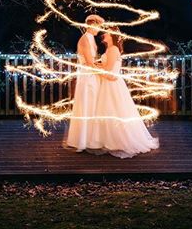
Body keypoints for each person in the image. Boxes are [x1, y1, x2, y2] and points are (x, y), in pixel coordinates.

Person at [88, 26, 159, 158]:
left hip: (112, 84)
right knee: (107, 111)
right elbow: (107, 67)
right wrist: (96, 65)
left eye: (107, 32)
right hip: (108, 84)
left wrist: (94, 68)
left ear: (112, 35)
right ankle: (108, 139)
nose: (104, 34)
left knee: (114, 111)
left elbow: (109, 72)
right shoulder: (110, 49)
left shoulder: (113, 49)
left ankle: (118, 141)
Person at [64, 14, 104, 151]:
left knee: (93, 106)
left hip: (92, 76)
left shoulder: (91, 38)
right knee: (88, 105)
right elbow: (89, 63)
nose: (99, 29)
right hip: (88, 77)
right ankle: (84, 140)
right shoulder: (85, 39)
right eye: (98, 26)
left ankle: (92, 138)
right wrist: (105, 71)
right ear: (92, 25)